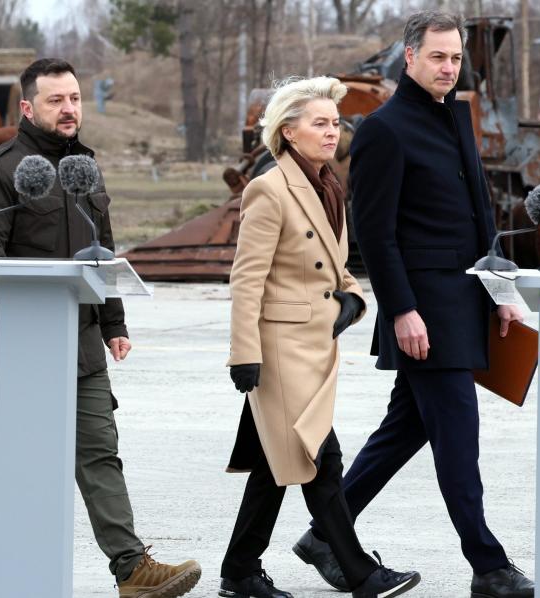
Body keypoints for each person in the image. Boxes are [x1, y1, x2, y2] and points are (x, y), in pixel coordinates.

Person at [291, 12, 536, 598]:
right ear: (409, 58)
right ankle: (488, 564)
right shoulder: (385, 129)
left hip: (465, 300)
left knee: (405, 429)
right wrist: (401, 310)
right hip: (423, 311)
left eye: (455, 59)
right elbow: (375, 234)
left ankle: (326, 533)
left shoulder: (458, 115)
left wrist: (499, 294)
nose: (448, 68)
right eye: (437, 58)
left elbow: (481, 216)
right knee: (458, 434)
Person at [0, 58, 201, 598]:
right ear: (27, 107)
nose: (69, 110)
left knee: (98, 450)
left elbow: (100, 253)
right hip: (15, 344)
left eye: (75, 99)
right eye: (55, 101)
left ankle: (131, 569)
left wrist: (114, 321)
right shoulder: (1, 169)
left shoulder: (84, 167)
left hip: (81, 343)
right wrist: (19, 315)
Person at [222, 76, 420, 598]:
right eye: (320, 124)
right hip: (281, 349)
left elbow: (337, 265)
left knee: (274, 465)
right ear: (288, 132)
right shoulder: (268, 188)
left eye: (336, 124)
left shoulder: (329, 184)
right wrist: (244, 354)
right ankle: (360, 574)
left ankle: (239, 571)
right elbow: (247, 278)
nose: (333, 133)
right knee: (320, 459)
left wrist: (354, 298)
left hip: (317, 348)